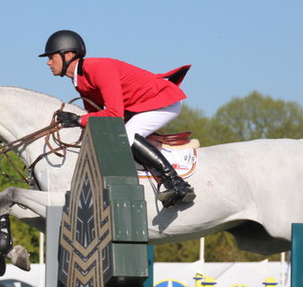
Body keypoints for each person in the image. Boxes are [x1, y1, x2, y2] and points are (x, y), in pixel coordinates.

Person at [40, 29, 196, 208]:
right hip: (140, 107)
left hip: (162, 101)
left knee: (126, 135)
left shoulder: (97, 68)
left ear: (68, 54)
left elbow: (114, 115)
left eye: (51, 57)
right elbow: (97, 119)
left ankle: (176, 183)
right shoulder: (80, 81)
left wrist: (77, 120)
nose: (48, 63)